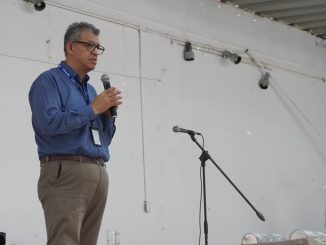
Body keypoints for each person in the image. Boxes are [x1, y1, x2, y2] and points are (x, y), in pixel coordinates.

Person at [28, 22, 122, 245]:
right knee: (65, 241)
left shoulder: (90, 90)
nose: (95, 52)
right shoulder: (48, 81)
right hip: (66, 171)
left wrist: (107, 117)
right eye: (89, 45)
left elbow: (103, 140)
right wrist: (93, 109)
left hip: (97, 170)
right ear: (70, 46)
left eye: (98, 47)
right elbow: (48, 124)